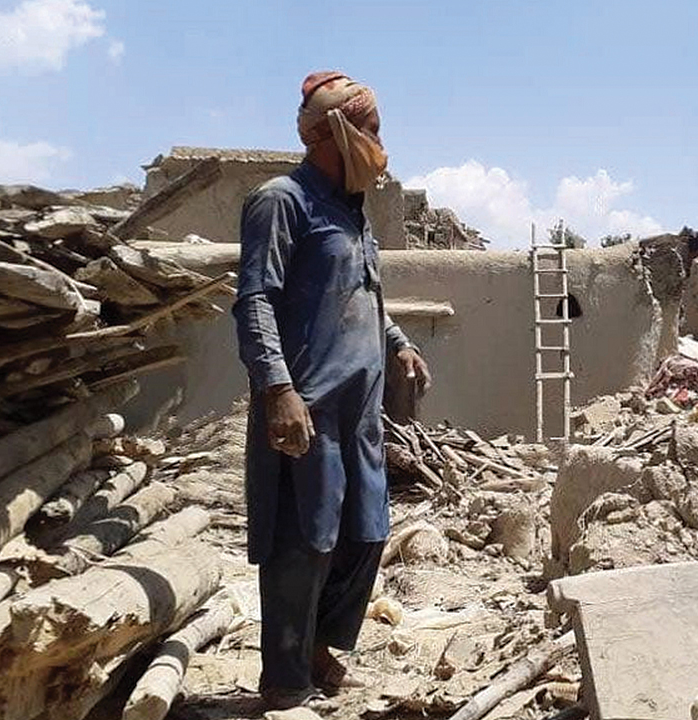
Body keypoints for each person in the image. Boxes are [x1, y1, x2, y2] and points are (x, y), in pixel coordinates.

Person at [232, 70, 431, 710]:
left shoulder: (352, 212)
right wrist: (277, 389)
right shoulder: (281, 200)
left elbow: (363, 293)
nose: (381, 144)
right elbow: (254, 299)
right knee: (302, 544)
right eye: (372, 130)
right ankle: (286, 681)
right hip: (307, 410)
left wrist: (398, 341)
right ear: (334, 133)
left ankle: (322, 646)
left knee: (367, 533)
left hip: (360, 415)